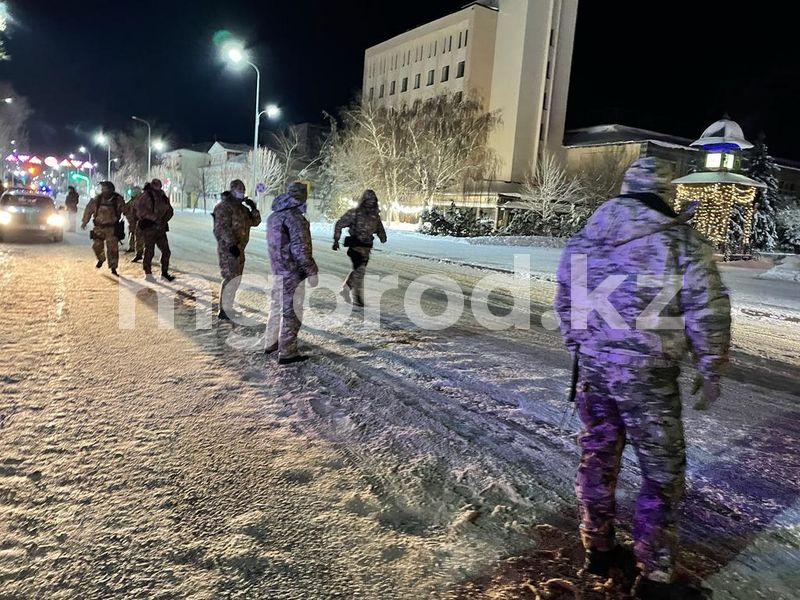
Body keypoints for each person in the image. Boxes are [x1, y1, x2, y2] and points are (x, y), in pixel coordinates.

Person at [554, 157, 731, 599]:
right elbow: (707, 310)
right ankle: (655, 572)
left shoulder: (584, 239)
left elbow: (565, 303)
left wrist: (586, 345)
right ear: (667, 195)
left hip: (595, 371)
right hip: (649, 377)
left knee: (597, 457)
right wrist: (711, 365)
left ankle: (597, 546)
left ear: (625, 189)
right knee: (662, 471)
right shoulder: (682, 242)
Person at [265, 181, 318, 365]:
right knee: (291, 312)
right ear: (302, 196)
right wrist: (311, 270)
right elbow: (300, 249)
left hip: (278, 270)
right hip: (291, 272)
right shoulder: (295, 218)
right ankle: (287, 351)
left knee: (276, 306)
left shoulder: (274, 216)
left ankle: (271, 343)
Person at [212, 179, 262, 321]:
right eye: (239, 190)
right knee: (230, 277)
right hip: (228, 249)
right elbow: (221, 228)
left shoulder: (242, 209)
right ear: (233, 190)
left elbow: (255, 222)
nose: (242, 193)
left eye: (243, 190)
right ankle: (223, 310)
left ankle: (228, 308)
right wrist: (231, 244)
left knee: (236, 278)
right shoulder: (223, 207)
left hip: (240, 248)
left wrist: (254, 208)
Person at [332, 189, 387, 306]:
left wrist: (383, 236)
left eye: (372, 201)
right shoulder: (354, 213)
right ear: (364, 200)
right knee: (360, 271)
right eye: (368, 200)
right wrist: (336, 240)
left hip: (366, 249)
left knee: (358, 271)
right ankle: (357, 298)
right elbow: (339, 224)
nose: (370, 203)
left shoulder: (375, 216)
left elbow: (380, 229)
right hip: (355, 247)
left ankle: (345, 289)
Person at [81, 181, 126, 277]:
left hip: (112, 228)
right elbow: (88, 211)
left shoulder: (117, 200)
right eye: (102, 189)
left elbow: (126, 211)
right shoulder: (97, 200)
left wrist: (133, 222)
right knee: (96, 246)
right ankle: (101, 259)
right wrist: (84, 222)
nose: (103, 191)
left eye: (105, 189)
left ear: (111, 189)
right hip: (99, 227)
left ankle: (113, 268)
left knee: (113, 250)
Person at [135, 178, 175, 281]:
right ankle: (148, 274)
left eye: (158, 184)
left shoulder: (163, 197)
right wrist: (153, 218)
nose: (157, 186)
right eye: (155, 184)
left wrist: (164, 220)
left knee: (166, 251)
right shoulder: (146, 196)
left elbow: (169, 210)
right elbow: (140, 211)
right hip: (149, 228)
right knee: (149, 251)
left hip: (160, 229)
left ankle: (164, 273)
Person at [123, 185, 144, 259]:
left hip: (138, 221)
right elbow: (126, 208)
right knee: (132, 234)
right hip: (133, 221)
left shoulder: (140, 200)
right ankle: (134, 248)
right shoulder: (133, 200)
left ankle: (139, 252)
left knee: (138, 237)